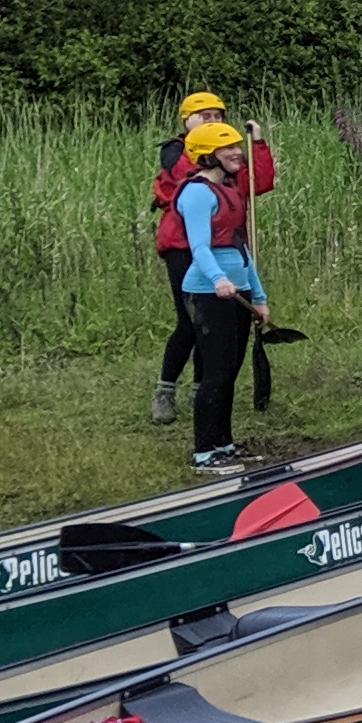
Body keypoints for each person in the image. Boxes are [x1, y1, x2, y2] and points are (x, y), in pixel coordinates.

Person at [149, 91, 273, 423]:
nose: (213, 120)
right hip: (182, 248)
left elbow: (258, 183)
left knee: (216, 326)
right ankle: (165, 390)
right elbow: (188, 174)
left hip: (224, 247)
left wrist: (256, 144)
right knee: (190, 323)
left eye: (217, 115)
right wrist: (215, 146)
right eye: (203, 116)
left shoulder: (226, 158)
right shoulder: (177, 152)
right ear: (186, 121)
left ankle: (205, 390)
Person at [170, 119, 269, 469]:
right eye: (227, 149)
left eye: (236, 147)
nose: (237, 154)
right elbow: (198, 246)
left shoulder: (228, 188)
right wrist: (217, 279)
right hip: (208, 293)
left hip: (236, 289)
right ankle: (203, 452)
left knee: (230, 370)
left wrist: (258, 295)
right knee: (214, 372)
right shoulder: (197, 192)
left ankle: (223, 443)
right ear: (207, 155)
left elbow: (240, 248)